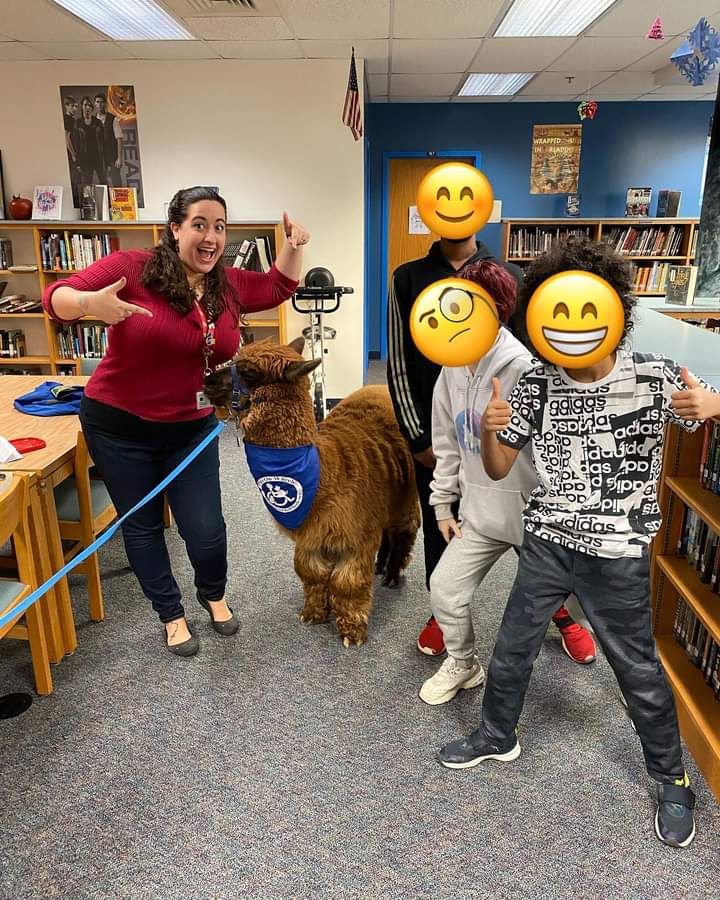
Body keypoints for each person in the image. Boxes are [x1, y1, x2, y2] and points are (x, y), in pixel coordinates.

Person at [437, 237, 720, 849]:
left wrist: (714, 403)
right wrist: (490, 431)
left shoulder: (654, 375)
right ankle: (497, 735)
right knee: (512, 646)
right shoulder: (535, 384)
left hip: (617, 552)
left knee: (635, 666)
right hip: (547, 540)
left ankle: (671, 778)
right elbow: (497, 468)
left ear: (614, 307)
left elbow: (702, 408)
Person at [43, 186, 308, 657]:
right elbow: (54, 296)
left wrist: (293, 245)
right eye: (199, 225)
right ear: (175, 229)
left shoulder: (226, 285)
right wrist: (87, 305)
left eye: (219, 227)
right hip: (119, 426)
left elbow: (276, 288)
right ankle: (170, 614)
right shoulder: (132, 268)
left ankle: (213, 594)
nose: (211, 237)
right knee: (142, 526)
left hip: (191, 427)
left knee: (206, 529)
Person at [387, 232, 594, 661]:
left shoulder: (521, 367)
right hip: (477, 502)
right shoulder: (449, 363)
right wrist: (441, 501)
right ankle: (449, 629)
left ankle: (561, 614)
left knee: (547, 576)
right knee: (446, 577)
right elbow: (445, 439)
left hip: (527, 502)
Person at [74, 95, 104, 188]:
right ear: (82, 106)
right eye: (85, 105)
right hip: (85, 159)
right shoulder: (78, 123)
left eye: (89, 105)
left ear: (92, 108)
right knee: (87, 184)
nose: (87, 107)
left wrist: (105, 161)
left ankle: (105, 197)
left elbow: (103, 142)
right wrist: (77, 162)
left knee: (104, 181)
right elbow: (76, 144)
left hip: (98, 158)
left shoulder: (98, 122)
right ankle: (88, 198)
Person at [94, 92, 123, 187]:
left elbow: (119, 139)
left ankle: (119, 197)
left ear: (105, 104)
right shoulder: (93, 120)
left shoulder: (113, 119)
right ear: (95, 104)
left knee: (116, 179)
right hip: (100, 157)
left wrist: (119, 158)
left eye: (102, 102)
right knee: (103, 181)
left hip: (112, 155)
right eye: (97, 102)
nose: (100, 104)